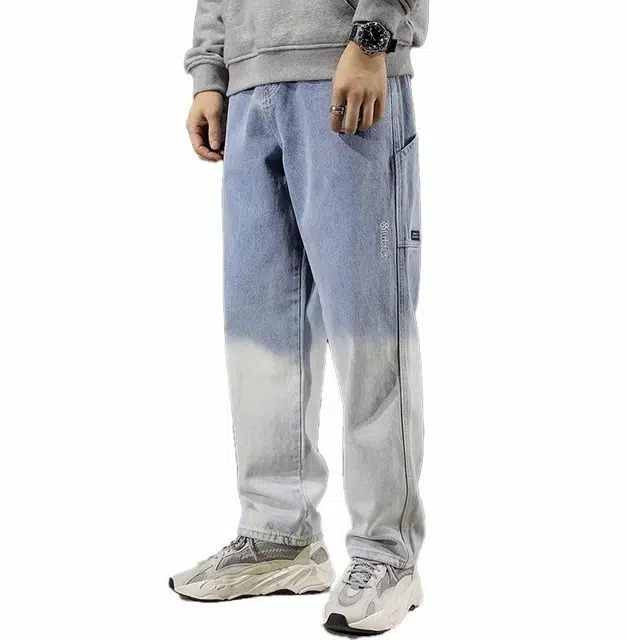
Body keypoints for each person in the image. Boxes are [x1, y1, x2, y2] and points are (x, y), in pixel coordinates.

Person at [169, 0, 429, 634]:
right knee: (262, 335)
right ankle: (278, 534)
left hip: (344, 67)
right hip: (248, 84)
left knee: (370, 328)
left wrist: (372, 38)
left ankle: (388, 553)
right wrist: (210, 71)